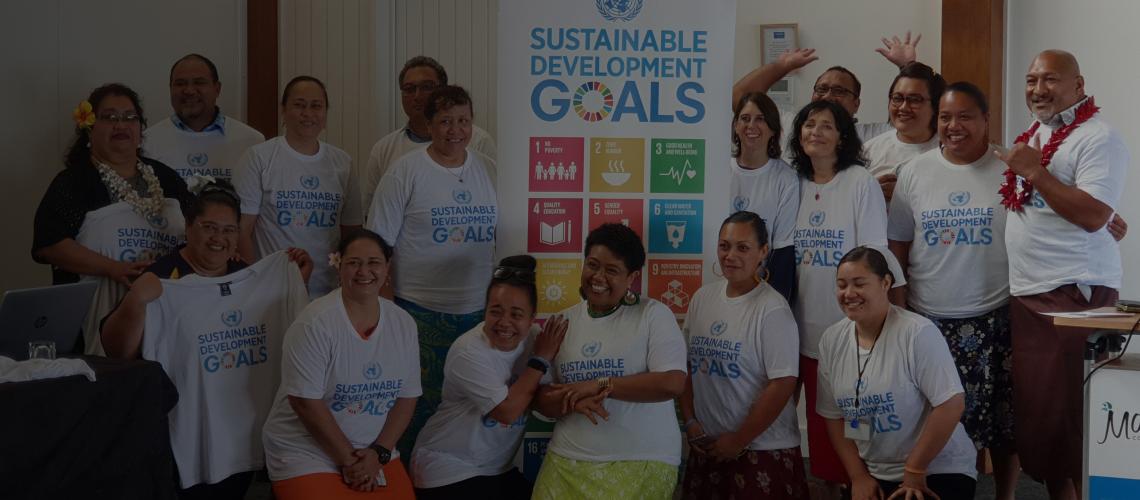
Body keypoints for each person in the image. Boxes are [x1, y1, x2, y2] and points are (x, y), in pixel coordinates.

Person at [101, 180, 312, 500]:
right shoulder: (163, 277)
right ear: (188, 227)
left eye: (229, 230)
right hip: (185, 441)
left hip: (241, 435)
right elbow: (118, 351)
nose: (219, 238)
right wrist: (136, 302)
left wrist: (293, 283)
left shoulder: (247, 274)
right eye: (209, 227)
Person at [995, 50, 1129, 500]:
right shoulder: (1035, 134)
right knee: (1044, 424)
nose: (1037, 89)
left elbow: (1093, 215)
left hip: (1074, 293)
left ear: (1078, 83)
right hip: (1030, 294)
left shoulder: (1099, 137)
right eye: (1031, 80)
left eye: (1050, 79)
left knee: (1073, 423)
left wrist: (1035, 170)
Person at [887, 82, 1018, 499]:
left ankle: (1006, 493)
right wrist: (900, 310)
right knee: (936, 417)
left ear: (985, 120)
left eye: (965, 116)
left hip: (995, 312)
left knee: (1002, 420)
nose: (954, 126)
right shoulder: (915, 172)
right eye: (945, 117)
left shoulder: (1010, 169)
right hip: (930, 317)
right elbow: (898, 244)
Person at [366, 84, 498, 456]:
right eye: (445, 122)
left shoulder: (489, 169)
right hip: (418, 313)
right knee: (416, 409)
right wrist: (388, 314)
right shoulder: (404, 172)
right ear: (429, 123)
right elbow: (377, 249)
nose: (455, 130)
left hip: (477, 314)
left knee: (469, 410)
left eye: (463, 121)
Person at [787, 99, 905, 492]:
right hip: (799, 328)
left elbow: (873, 254)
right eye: (808, 124)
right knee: (818, 429)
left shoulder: (859, 181)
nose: (814, 132)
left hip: (848, 329)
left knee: (855, 429)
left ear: (842, 137)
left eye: (825, 125)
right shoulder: (792, 182)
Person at [32, 83, 194, 355]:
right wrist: (113, 268)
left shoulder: (165, 178)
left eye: (130, 117)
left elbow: (196, 229)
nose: (122, 125)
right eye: (110, 117)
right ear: (90, 129)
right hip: (95, 320)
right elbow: (49, 244)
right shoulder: (74, 182)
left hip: (166, 315)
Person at [530, 223, 688, 499]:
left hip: (640, 461)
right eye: (592, 265)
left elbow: (672, 383)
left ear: (632, 277)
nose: (598, 277)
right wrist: (572, 401)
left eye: (612, 270)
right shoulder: (563, 321)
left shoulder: (653, 314)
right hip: (565, 459)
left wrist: (600, 384)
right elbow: (541, 399)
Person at [262, 229, 420, 500]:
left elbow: (407, 398)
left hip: (372, 451)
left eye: (373, 263)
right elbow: (304, 402)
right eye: (354, 263)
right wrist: (351, 462)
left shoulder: (403, 322)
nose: (364, 271)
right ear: (339, 266)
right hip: (306, 451)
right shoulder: (314, 324)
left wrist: (379, 453)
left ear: (387, 267)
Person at [817, 247, 977, 500]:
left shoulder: (917, 332)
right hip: (874, 472)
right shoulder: (831, 339)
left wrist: (915, 469)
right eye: (841, 285)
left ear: (886, 283)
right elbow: (833, 416)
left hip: (935, 468)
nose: (848, 293)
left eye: (859, 283)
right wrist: (858, 476)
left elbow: (951, 404)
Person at [411, 255, 568, 500]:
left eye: (516, 314)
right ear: (485, 310)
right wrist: (540, 360)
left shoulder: (536, 339)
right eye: (496, 311)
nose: (505, 323)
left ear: (532, 317)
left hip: (496, 468)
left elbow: (544, 399)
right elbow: (506, 412)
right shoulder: (469, 351)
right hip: (447, 466)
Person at [679, 212, 807, 499]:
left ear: (763, 252)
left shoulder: (773, 309)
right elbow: (687, 365)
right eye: (724, 246)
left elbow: (783, 383)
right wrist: (690, 422)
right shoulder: (702, 298)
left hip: (761, 452)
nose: (730, 255)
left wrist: (740, 439)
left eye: (742, 247)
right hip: (707, 447)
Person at [235, 75, 363, 298]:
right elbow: (242, 231)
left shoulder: (343, 163)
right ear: (283, 110)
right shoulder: (259, 158)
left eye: (316, 106)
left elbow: (351, 233)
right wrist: (252, 282)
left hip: (329, 292)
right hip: (273, 291)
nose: (308, 113)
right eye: (299, 105)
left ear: (325, 113)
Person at [732, 31, 925, 145]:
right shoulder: (791, 126)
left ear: (856, 103)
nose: (828, 96)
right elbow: (740, 98)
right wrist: (781, 67)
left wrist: (907, 67)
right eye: (821, 89)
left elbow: (921, 121)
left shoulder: (873, 137)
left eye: (839, 91)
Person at [359, 56, 498, 210]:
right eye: (409, 89)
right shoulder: (384, 149)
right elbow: (371, 212)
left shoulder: (478, 141)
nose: (418, 96)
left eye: (427, 87)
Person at [144, 53, 265, 181]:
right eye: (180, 84)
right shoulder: (147, 142)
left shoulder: (251, 142)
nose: (189, 91)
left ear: (217, 89)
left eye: (199, 82)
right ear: (170, 89)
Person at [729, 92, 800, 305]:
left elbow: (782, 250)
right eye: (745, 118)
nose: (751, 125)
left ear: (773, 130)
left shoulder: (786, 178)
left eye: (760, 119)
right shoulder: (717, 168)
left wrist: (769, 302)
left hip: (760, 291)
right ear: (735, 126)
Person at [863, 62, 945, 202]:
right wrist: (870, 192)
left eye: (915, 100)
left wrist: (906, 195)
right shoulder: (868, 150)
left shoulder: (950, 151)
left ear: (936, 106)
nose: (903, 107)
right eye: (897, 98)